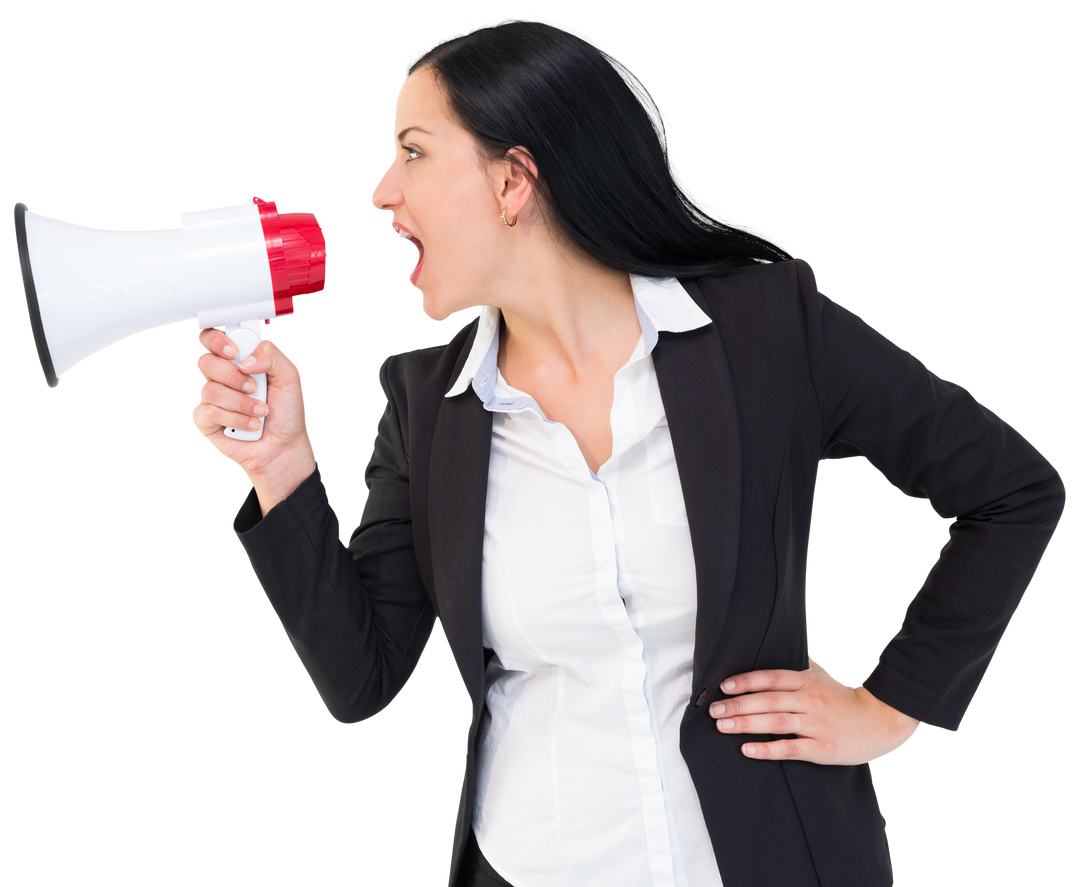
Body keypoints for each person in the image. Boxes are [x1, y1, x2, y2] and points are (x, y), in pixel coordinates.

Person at [189, 14, 1066, 887]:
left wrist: (895, 704)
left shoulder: (767, 329)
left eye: (412, 151)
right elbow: (360, 678)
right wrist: (282, 466)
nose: (381, 192)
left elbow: (1013, 491)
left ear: (513, 180)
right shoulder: (425, 406)